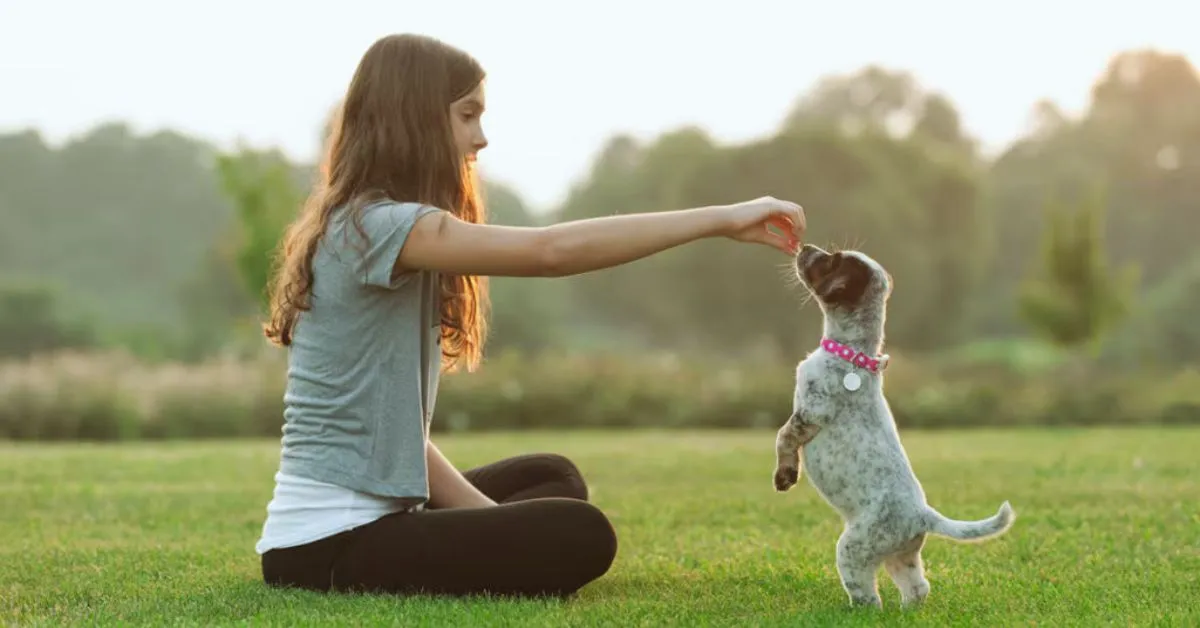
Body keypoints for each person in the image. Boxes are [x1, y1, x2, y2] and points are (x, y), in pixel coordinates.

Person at [254, 32, 807, 598]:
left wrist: (490, 523)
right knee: (579, 532)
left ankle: (496, 543)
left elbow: (401, 438)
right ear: (415, 117)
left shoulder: (372, 223)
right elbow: (551, 252)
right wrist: (723, 219)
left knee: (553, 478)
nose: (481, 137)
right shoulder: (378, 226)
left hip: (372, 520)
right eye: (467, 115)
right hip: (329, 543)